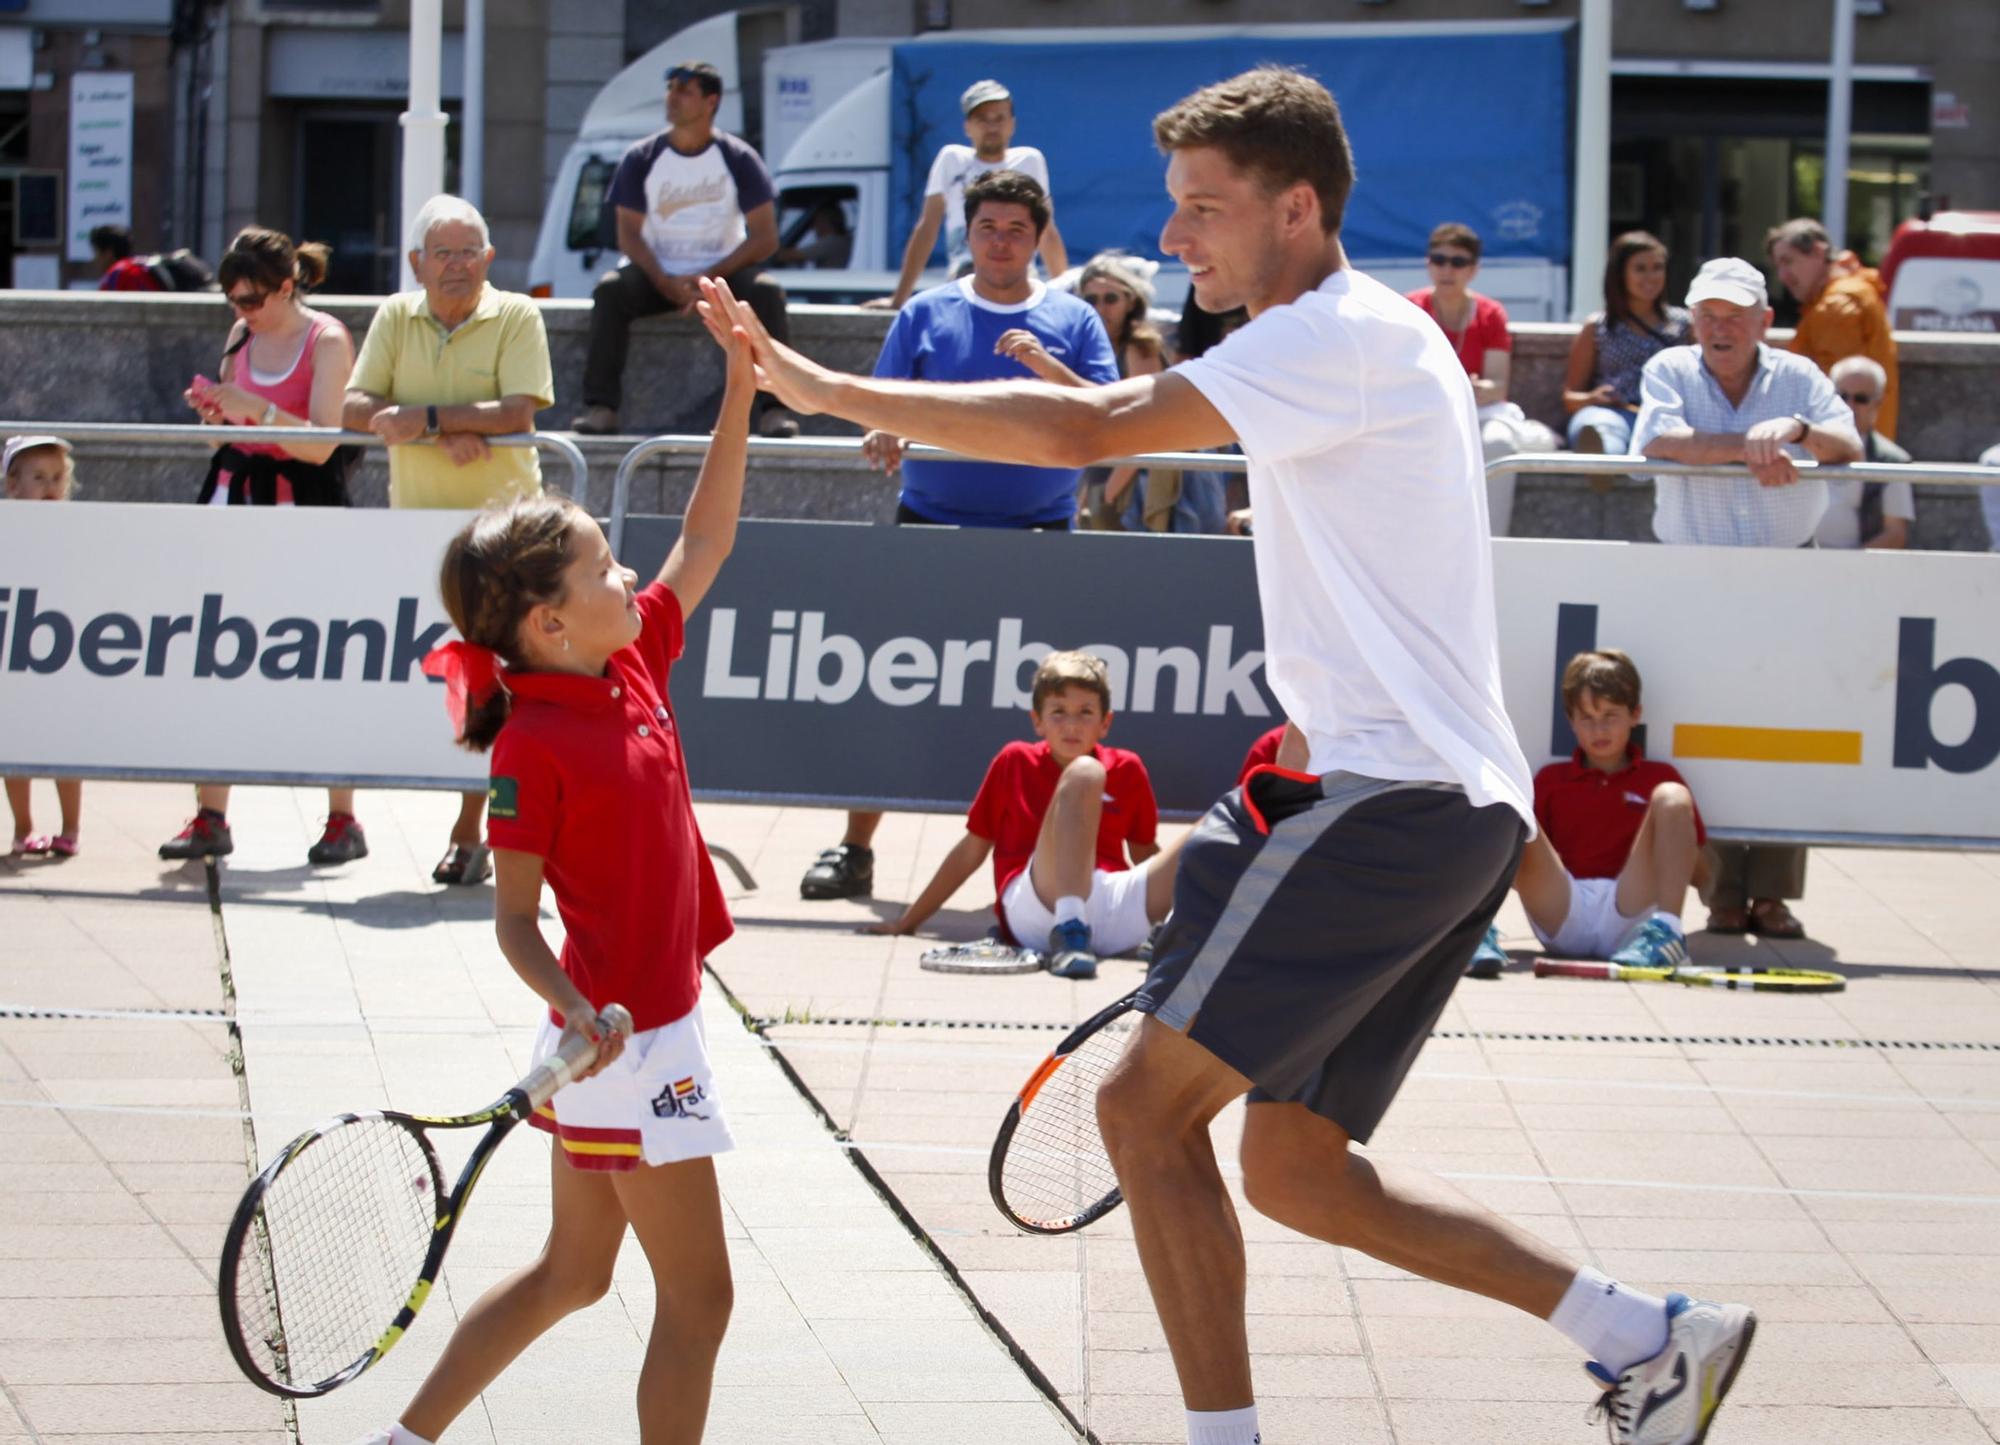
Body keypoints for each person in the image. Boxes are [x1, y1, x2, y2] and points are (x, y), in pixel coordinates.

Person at [698, 65, 1756, 1445]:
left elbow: (1088, 437)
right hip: (1442, 809)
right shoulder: (1343, 337)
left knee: (1142, 1115)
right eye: (1173, 208)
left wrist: (823, 384)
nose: (1178, 238)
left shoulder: (1334, 336)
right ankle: (1651, 1338)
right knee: (1300, 1172)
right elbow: (1135, 422)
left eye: (1206, 208)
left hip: (1399, 802)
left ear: (1298, 206)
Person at [351, 322, 755, 1445]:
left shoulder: (625, 653)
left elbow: (705, 536)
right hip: (626, 1042)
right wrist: (579, 1011)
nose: (626, 574)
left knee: (570, 1277)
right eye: (600, 566)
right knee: (702, 1298)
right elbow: (515, 921)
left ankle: (401, 1441)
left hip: (613, 1036)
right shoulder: (531, 743)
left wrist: (742, 386)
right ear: (547, 621)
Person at [796, 169, 1118, 905]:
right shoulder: (924, 312)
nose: (1000, 242)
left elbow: (1106, 413)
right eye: (987, 228)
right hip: (930, 529)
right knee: (892, 686)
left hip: (1041, 531)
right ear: (966, 234)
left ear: (1038, 240)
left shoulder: (1074, 317)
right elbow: (881, 401)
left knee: (1058, 703)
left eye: (1015, 230)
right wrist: (881, 426)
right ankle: (855, 848)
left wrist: (1040, 363)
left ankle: (1064, 868)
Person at [1634, 254, 1860, 942]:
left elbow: (1847, 441)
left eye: (1734, 316)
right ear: (1691, 318)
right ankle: (1722, 893)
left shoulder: (1799, 375)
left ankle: (1773, 896)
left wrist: (1792, 431)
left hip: (1788, 573)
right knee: (1702, 737)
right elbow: (1658, 442)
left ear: (1765, 321)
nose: (1720, 328)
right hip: (1697, 577)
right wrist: (1748, 447)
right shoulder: (1669, 368)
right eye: (1708, 315)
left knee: (1791, 733)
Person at [344, 194, 556, 886]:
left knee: (494, 693)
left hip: (505, 540)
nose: (458, 265)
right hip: (418, 537)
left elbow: (518, 410)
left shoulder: (517, 313)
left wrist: (426, 416)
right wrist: (450, 426)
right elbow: (353, 407)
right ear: (417, 263)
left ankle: (475, 831)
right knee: (444, 692)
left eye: (470, 252)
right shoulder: (393, 317)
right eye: (444, 253)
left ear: (489, 259)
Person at [158, 227, 367, 867]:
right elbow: (228, 427)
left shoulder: (326, 338)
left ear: (286, 286)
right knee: (217, 651)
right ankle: (211, 813)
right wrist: (218, 414)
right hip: (236, 492)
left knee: (322, 655)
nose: (240, 311)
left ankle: (342, 817)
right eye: (231, 300)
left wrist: (254, 409)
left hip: (302, 501)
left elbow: (323, 443)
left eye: (251, 299)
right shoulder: (242, 334)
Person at [865, 651, 1183, 980]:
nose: (1072, 724)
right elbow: (971, 851)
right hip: (1035, 907)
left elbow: (1145, 854)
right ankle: (1069, 929)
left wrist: (1173, 907)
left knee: (1222, 821)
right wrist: (909, 921)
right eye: (1058, 712)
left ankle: (1180, 935)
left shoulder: (1127, 767)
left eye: (1085, 712)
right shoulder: (1014, 760)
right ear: (1037, 720)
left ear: (1106, 723)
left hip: (1111, 908)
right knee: (1086, 773)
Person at [571, 61, 797, 440]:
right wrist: (664, 280)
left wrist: (711, 277)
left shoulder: (739, 158)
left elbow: (765, 237)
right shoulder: (641, 157)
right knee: (610, 290)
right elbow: (628, 234)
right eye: (671, 88)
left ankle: (776, 411)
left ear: (711, 102)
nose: (672, 98)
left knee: (767, 293)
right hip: (658, 273)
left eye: (684, 90)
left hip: (723, 272)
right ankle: (601, 407)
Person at [1466, 649, 1708, 980]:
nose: (1599, 730)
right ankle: (1476, 930)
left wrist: (1718, 894)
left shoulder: (1658, 774)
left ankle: (1667, 933)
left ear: (1635, 714)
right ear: (1571, 721)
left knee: (1672, 796)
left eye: (1611, 715)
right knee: (1510, 801)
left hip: (1632, 912)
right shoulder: (1551, 779)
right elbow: (1517, 857)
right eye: (1588, 718)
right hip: (1563, 907)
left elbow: (1696, 866)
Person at [1406, 221, 1556, 536]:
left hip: (1480, 411)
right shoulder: (1410, 309)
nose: (1447, 269)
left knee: (1498, 444)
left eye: (1458, 262)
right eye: (1439, 260)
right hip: (1424, 410)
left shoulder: (1490, 314)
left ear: (1473, 269)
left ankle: (1491, 540)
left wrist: (1472, 389)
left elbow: (1498, 385)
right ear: (1428, 264)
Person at [869, 78, 1069, 311]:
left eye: (999, 118)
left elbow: (1047, 231)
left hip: (1020, 273)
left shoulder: (1030, 160)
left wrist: (1066, 299)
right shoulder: (951, 159)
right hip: (967, 273)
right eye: (982, 119)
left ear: (1012, 124)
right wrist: (899, 299)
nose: (991, 127)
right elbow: (927, 228)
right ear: (967, 127)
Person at [3, 436, 83, 858]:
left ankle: (70, 827)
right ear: (12, 485)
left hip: (62, 653)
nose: (51, 488)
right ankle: (23, 827)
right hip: (16, 654)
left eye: (58, 478)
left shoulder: (73, 532)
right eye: (39, 479)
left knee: (63, 743)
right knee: (14, 742)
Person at [1767, 217, 1899, 440]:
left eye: (1788, 261)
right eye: (1778, 266)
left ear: (1819, 252)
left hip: (1845, 447)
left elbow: (1840, 394)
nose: (1783, 276)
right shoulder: (1847, 292)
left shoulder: (1836, 305)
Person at [1562, 231, 1691, 456]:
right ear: (1620, 274)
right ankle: (1603, 460)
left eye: (1657, 267)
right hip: (1612, 414)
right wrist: (1594, 398)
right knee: (1601, 429)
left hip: (1669, 417)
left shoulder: (1684, 325)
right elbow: (1570, 397)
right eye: (1640, 269)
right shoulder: (1598, 327)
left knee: (1672, 435)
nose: (1650, 277)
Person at [1814, 355, 1914, 550]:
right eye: (1842, 396)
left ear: (1878, 403)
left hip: (1858, 571)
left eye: (1861, 399)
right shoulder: (1801, 446)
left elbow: (1895, 534)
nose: (1849, 406)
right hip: (1798, 563)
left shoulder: (1892, 461)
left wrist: (1847, 566)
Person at [771, 201, 853, 270]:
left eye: (816, 221)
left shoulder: (832, 242)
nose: (814, 227)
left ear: (824, 221)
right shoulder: (844, 241)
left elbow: (788, 256)